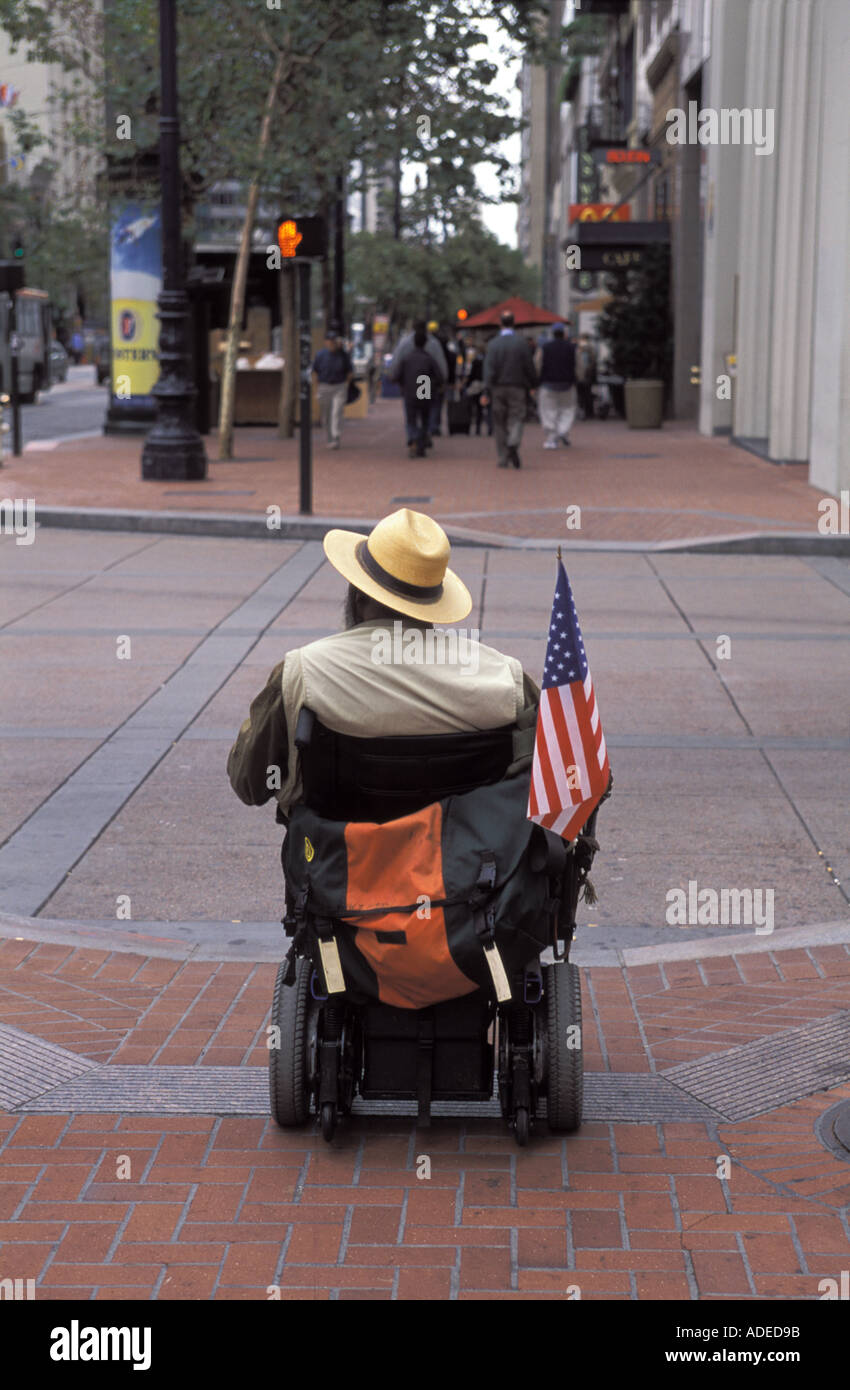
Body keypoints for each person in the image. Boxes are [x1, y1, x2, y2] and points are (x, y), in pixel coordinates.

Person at [226, 508, 539, 823]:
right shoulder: (505, 679)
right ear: (433, 604)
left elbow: (250, 784)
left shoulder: (303, 673)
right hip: (465, 867)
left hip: (336, 863)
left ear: (359, 598)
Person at [481, 311, 538, 468]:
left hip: (497, 388)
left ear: (501, 323)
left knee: (499, 422)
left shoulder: (493, 344)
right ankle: (513, 441)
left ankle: (503, 456)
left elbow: (489, 369)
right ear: (514, 323)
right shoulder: (521, 343)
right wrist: (533, 384)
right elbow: (529, 366)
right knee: (517, 417)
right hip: (517, 386)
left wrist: (486, 390)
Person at [389, 320, 447, 450]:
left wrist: (397, 380)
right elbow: (441, 368)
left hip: (409, 386)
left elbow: (395, 366)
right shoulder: (433, 344)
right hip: (425, 385)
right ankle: (423, 435)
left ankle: (413, 438)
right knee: (425, 413)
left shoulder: (404, 343)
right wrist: (441, 382)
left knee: (411, 416)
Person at [536, 322, 577, 448]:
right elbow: (579, 365)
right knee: (567, 409)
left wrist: (537, 378)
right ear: (564, 333)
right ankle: (562, 431)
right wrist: (579, 378)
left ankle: (551, 437)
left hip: (548, 383)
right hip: (567, 384)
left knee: (548, 411)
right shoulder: (572, 347)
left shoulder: (544, 347)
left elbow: (537, 364)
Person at [312, 324, 353, 449]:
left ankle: (335, 436)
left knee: (336, 412)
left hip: (339, 386)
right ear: (326, 342)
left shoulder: (343, 355)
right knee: (327, 414)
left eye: (333, 341)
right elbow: (315, 372)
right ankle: (330, 436)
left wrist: (346, 384)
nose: (332, 343)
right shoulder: (320, 355)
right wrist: (316, 388)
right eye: (329, 341)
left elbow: (350, 371)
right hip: (324, 386)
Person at [463, 348, 492, 436]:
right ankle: (490, 428)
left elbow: (471, 375)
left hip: (476, 387)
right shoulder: (489, 361)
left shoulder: (475, 362)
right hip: (487, 386)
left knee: (477, 408)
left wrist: (467, 385)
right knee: (489, 408)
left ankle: (477, 429)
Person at [575, 334, 598, 420]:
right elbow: (593, 362)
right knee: (586, 393)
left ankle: (586, 412)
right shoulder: (589, 348)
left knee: (583, 394)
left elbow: (590, 363)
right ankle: (588, 412)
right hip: (586, 375)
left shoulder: (583, 349)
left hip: (584, 375)